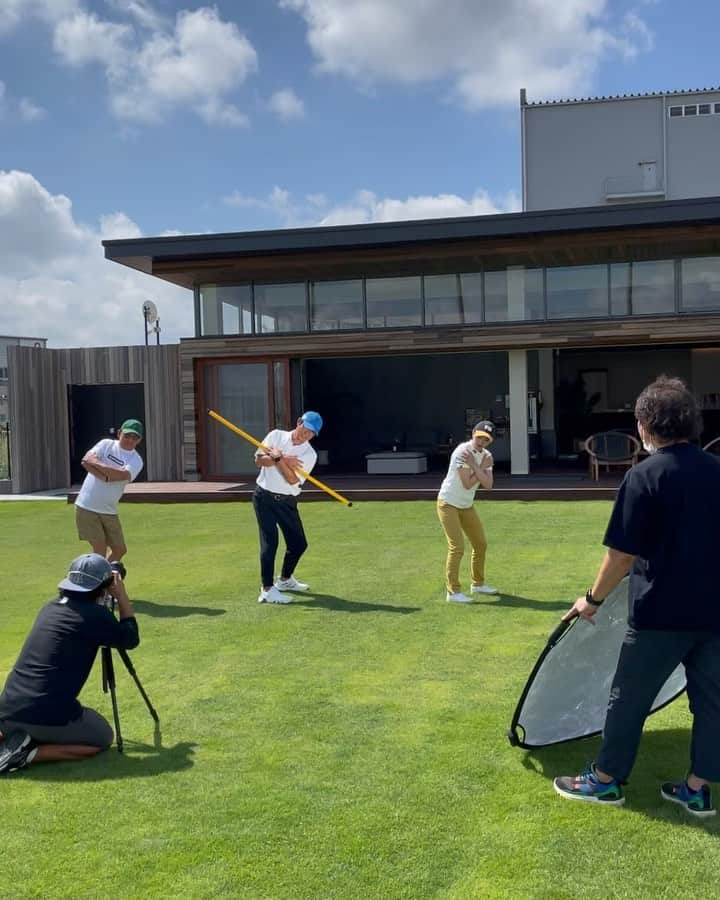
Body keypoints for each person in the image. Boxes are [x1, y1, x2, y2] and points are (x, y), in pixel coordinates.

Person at [553, 376, 720, 816]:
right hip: (714, 614)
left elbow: (622, 556)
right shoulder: (716, 471)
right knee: (712, 704)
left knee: (627, 699)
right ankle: (697, 788)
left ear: (645, 426)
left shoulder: (643, 477)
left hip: (660, 615)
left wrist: (591, 599)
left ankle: (606, 781)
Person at [0, 554, 140, 775]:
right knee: (102, 737)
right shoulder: (95, 615)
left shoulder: (50, 607)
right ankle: (28, 753)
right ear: (103, 587)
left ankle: (12, 735)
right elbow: (130, 638)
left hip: (6, 708)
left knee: (29, 714)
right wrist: (121, 595)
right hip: (46, 714)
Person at [252, 412, 322, 604]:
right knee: (270, 542)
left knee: (299, 543)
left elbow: (292, 479)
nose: (304, 436)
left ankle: (284, 580)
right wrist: (281, 460)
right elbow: (258, 460)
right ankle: (267, 590)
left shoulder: (309, 454)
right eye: (304, 430)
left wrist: (279, 459)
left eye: (310, 434)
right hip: (263, 497)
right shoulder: (276, 436)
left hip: (287, 500)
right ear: (298, 422)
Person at [437, 420, 498, 603]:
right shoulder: (462, 452)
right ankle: (453, 592)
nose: (481, 442)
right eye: (479, 437)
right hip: (448, 502)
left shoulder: (487, 456)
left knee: (480, 544)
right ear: (473, 434)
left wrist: (476, 467)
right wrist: (478, 467)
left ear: (490, 442)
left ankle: (477, 584)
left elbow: (488, 485)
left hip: (466, 505)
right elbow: (467, 483)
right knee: (457, 547)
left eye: (485, 440)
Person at [74, 419, 144, 561]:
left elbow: (121, 475)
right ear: (119, 433)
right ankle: (99, 580)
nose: (130, 440)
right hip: (87, 506)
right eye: (127, 435)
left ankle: (101, 576)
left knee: (120, 550)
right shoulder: (106, 444)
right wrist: (106, 476)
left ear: (139, 440)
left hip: (109, 510)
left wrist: (97, 464)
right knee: (100, 550)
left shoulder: (136, 460)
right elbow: (86, 460)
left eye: (134, 437)